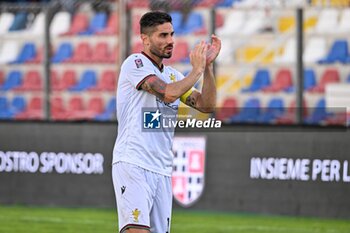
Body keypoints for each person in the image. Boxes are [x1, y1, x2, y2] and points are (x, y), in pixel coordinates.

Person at [112, 11, 221, 233]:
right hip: (133, 162)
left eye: (171, 34)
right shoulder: (135, 63)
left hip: (161, 169)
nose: (170, 40)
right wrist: (196, 70)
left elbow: (206, 105)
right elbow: (168, 94)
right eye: (162, 35)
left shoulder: (172, 75)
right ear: (145, 38)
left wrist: (207, 69)